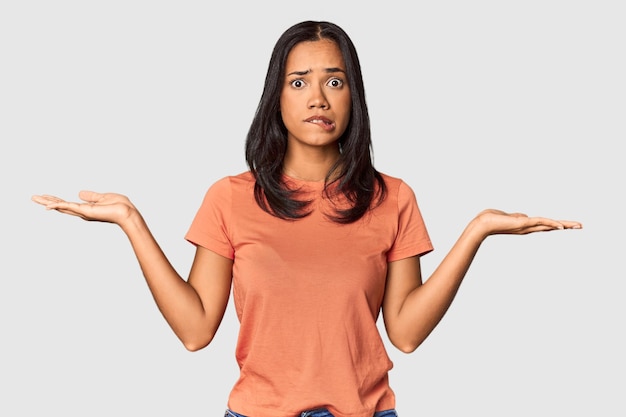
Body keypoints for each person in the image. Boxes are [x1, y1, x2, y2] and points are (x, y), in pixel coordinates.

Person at [31, 20, 582, 417]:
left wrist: (478, 229)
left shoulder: (393, 197)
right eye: (299, 82)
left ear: (353, 97)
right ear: (277, 99)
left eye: (334, 81)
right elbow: (196, 330)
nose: (318, 97)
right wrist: (131, 220)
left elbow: (407, 334)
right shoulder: (230, 197)